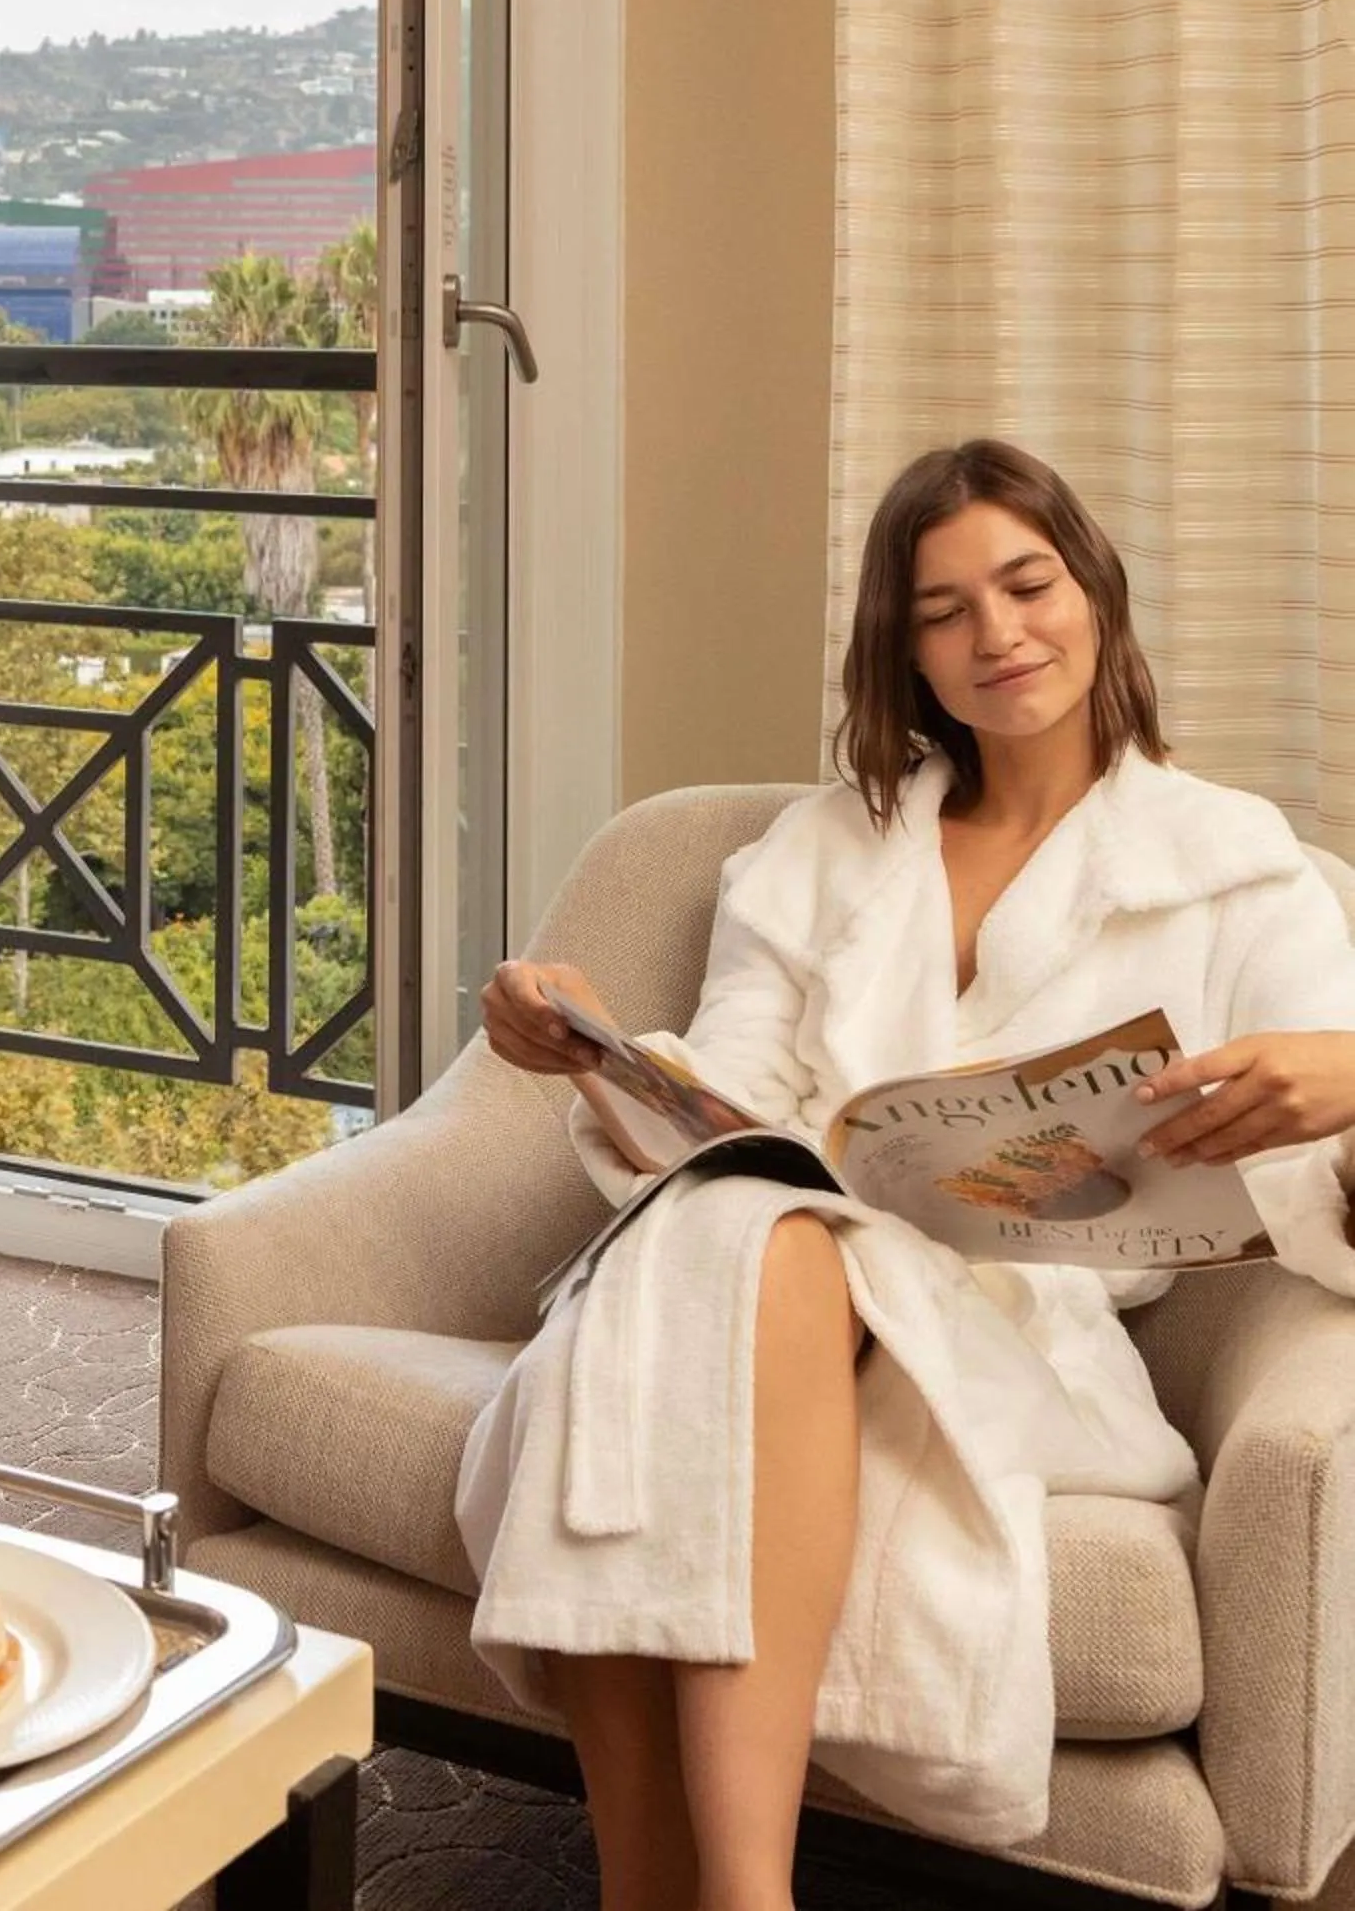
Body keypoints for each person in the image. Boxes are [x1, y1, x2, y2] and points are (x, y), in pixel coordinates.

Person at [462, 439, 1355, 1911]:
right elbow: (737, 1103)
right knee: (738, 1240)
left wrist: (1341, 1076)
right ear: (906, 650)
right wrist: (595, 1057)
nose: (997, 634)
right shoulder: (821, 849)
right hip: (778, 1274)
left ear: (1095, 595)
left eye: (1027, 583)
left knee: (699, 1283)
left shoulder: (1232, 865)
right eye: (944, 610)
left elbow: (1326, 1188)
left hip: (1022, 1332)